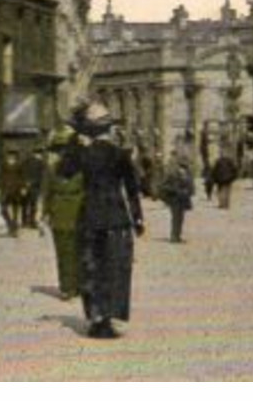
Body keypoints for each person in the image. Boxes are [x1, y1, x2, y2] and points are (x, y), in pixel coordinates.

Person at [60, 103, 145, 339]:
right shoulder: (120, 154)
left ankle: (96, 318)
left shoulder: (82, 153)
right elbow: (132, 189)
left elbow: (64, 171)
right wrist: (138, 219)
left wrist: (73, 142)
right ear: (108, 129)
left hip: (89, 217)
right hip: (117, 218)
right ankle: (109, 318)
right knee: (115, 269)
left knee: (91, 268)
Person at [41, 129, 86, 299]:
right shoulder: (83, 169)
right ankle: (78, 285)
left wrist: (44, 214)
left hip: (59, 214)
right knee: (79, 251)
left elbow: (46, 192)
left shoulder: (52, 169)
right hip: (78, 214)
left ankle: (67, 287)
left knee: (63, 253)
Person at [160, 157, 196, 242]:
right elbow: (163, 186)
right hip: (174, 199)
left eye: (185, 167)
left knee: (181, 219)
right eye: (181, 167)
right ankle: (173, 236)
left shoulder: (189, 175)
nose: (183, 170)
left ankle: (178, 236)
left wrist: (189, 192)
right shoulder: (172, 175)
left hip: (183, 200)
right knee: (175, 218)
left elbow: (192, 188)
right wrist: (175, 190)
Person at [0, 150, 27, 237]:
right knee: (3, 210)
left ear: (15, 157)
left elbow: (23, 176)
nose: (11, 157)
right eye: (9, 156)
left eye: (13, 156)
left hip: (16, 190)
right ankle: (10, 224)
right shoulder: (3, 164)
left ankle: (14, 229)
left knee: (15, 210)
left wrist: (23, 187)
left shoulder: (19, 165)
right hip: (5, 189)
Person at [22, 148, 47, 230]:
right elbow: (41, 176)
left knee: (25, 204)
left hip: (25, 186)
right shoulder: (41, 163)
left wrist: (25, 183)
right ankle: (32, 222)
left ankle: (24, 222)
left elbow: (22, 172)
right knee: (33, 205)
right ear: (38, 154)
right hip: (35, 187)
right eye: (40, 154)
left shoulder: (26, 161)